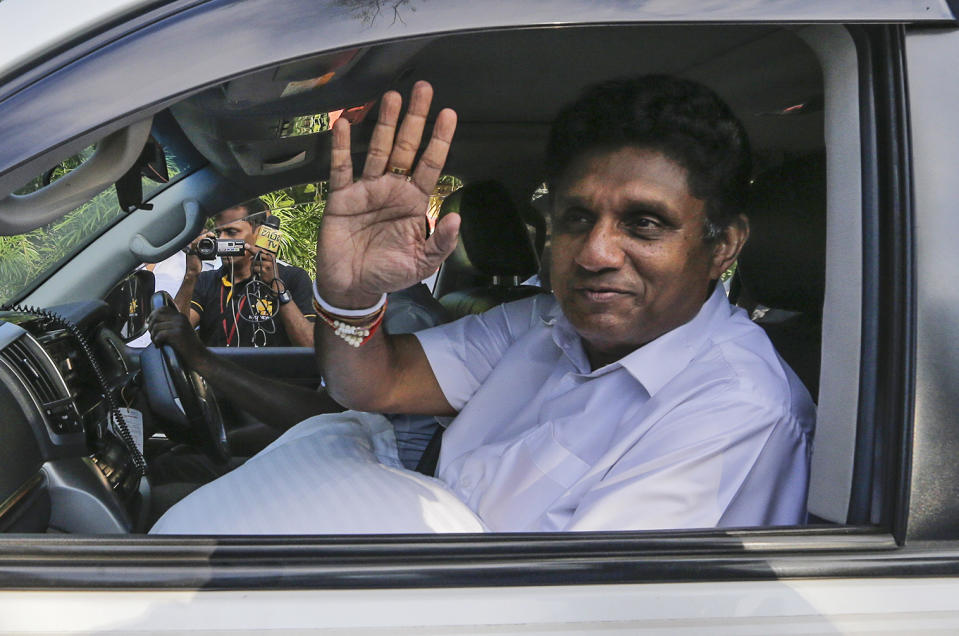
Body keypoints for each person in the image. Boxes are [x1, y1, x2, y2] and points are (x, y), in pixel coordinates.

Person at [153, 76, 815, 534]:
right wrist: (353, 297)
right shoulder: (543, 323)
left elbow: (582, 611)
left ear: (722, 244)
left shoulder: (735, 409)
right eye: (576, 218)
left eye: (643, 224)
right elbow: (369, 381)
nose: (594, 253)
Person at [178, 198, 316, 347]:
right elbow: (176, 334)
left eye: (231, 232)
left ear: (260, 234)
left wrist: (277, 288)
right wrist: (191, 275)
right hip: (217, 370)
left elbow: (309, 344)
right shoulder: (206, 280)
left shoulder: (293, 278)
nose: (222, 240)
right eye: (219, 233)